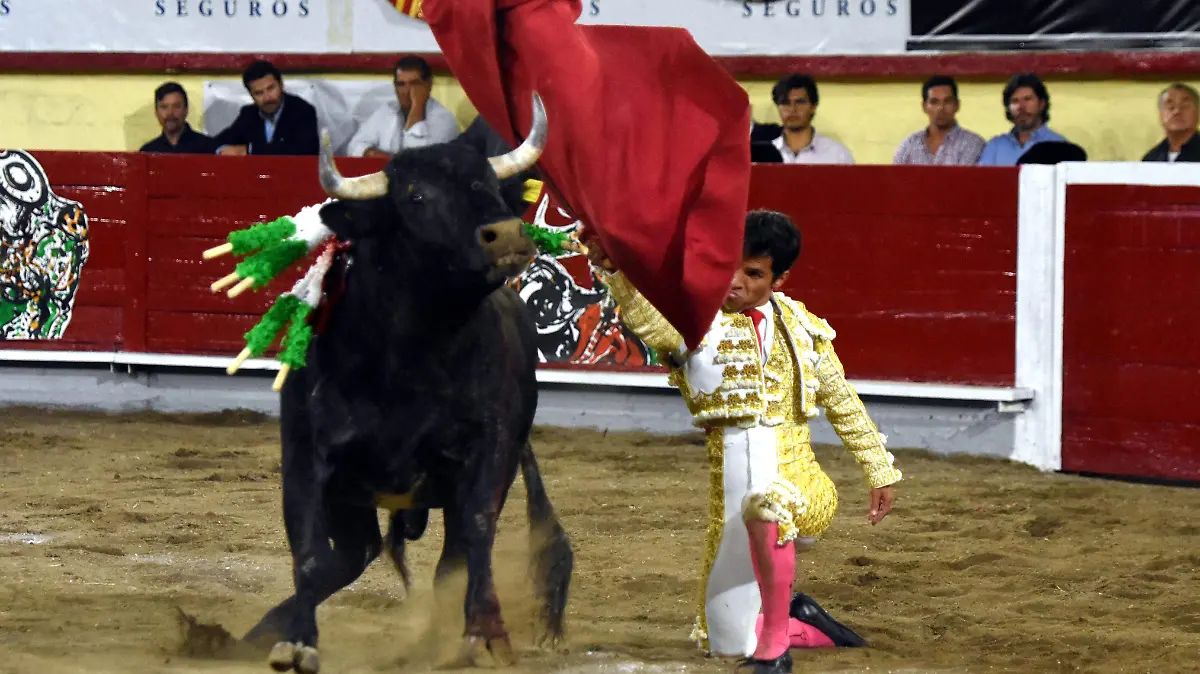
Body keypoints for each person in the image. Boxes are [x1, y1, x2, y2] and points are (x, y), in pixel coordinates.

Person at [585, 210, 902, 673]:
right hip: (729, 498)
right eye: (727, 267)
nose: (734, 282)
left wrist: (879, 469)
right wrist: (612, 269)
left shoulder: (800, 324)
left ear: (780, 278)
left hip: (803, 484)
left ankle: (776, 650)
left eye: (752, 273)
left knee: (766, 506)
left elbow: (842, 400)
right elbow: (647, 319)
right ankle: (802, 619)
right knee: (726, 642)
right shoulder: (696, 321)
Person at [346, 55, 461, 157]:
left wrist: (417, 108)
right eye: (401, 85)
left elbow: (416, 163)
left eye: (415, 84)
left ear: (428, 85)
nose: (407, 91)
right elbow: (353, 146)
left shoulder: (444, 119)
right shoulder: (387, 110)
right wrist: (373, 153)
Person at [213, 60, 319, 156]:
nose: (267, 98)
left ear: (281, 85)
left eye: (271, 88)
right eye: (259, 93)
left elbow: (303, 150)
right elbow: (220, 141)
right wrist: (222, 150)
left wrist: (249, 150)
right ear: (251, 95)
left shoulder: (303, 111)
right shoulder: (249, 114)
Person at [977, 73, 1068, 166]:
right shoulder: (995, 146)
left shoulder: (1059, 145)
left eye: (1028, 99)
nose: (1021, 106)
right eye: (1015, 101)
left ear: (1041, 104)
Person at [893, 75, 985, 165]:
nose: (941, 108)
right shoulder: (908, 146)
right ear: (924, 107)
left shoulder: (972, 144)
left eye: (947, 101)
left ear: (957, 105)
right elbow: (894, 179)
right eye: (934, 102)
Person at [139, 82, 218, 154]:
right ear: (156, 112)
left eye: (176, 106)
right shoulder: (148, 152)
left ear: (186, 110)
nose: (170, 113)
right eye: (164, 107)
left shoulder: (208, 147)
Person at [1142, 83, 1200, 163]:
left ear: (1198, 113)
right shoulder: (1151, 159)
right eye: (1170, 107)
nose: (1177, 111)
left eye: (1185, 106)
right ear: (1161, 115)